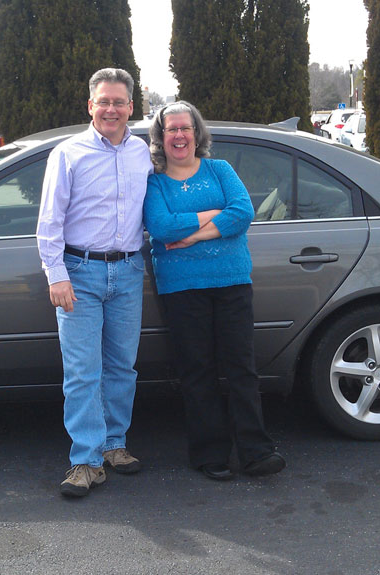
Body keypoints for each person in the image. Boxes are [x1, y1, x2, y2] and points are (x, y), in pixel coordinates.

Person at [142, 101, 285, 481]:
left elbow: (243, 212)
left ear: (197, 133)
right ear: (160, 137)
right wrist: (211, 216)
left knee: (241, 368)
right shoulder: (154, 182)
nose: (178, 135)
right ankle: (210, 454)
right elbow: (161, 226)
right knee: (197, 371)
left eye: (185, 128)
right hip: (182, 289)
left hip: (231, 282)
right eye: (170, 129)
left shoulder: (220, 170)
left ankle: (256, 451)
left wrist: (191, 237)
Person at [36, 68, 153, 498]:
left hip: (127, 271)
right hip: (79, 274)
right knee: (83, 372)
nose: (111, 109)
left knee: (123, 365)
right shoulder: (68, 154)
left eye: (119, 102)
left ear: (130, 108)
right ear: (91, 106)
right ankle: (85, 460)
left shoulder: (142, 152)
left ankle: (114, 445)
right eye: (103, 101)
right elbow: (48, 220)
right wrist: (57, 275)